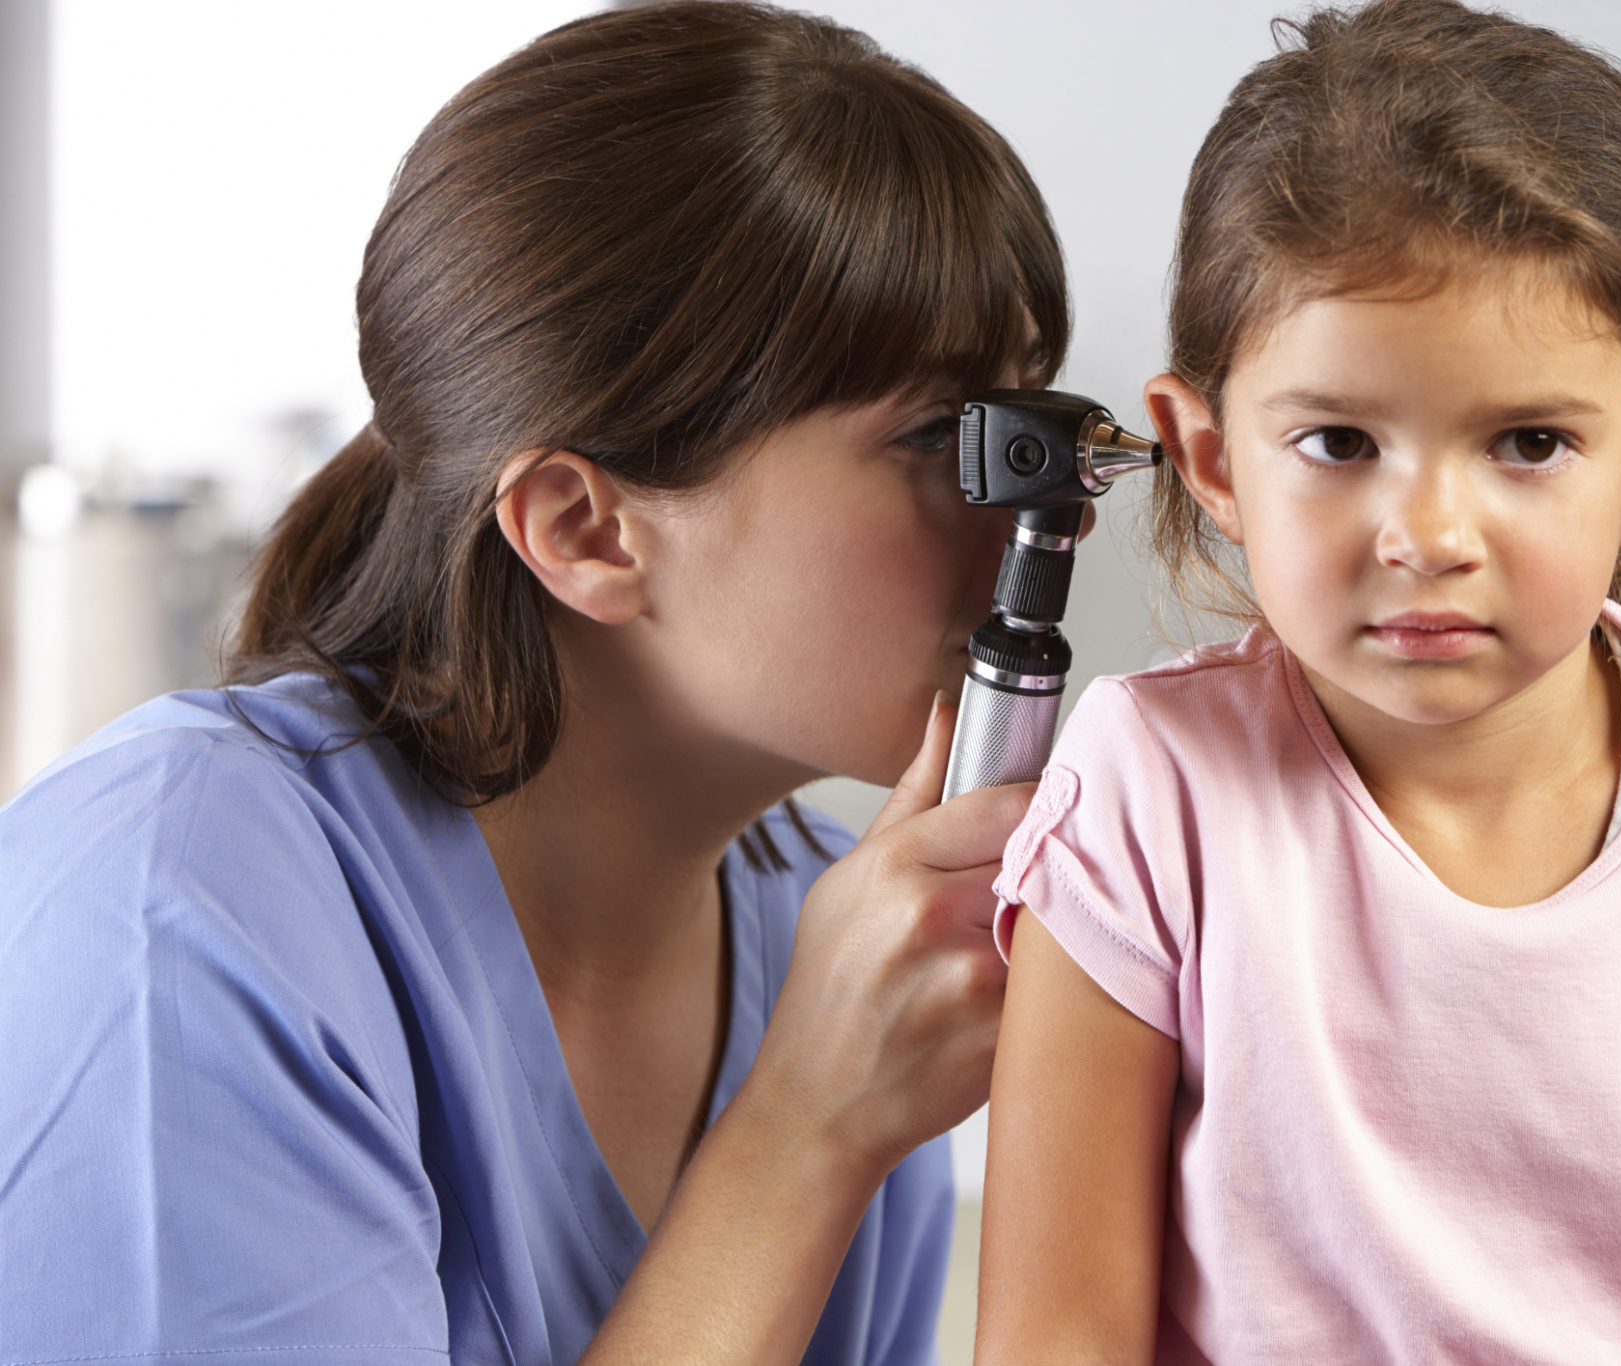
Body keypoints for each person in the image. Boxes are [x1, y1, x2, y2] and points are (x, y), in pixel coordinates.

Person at [0, 5, 1068, 1363]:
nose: (1045, 513)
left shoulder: (857, 958)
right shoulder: (177, 906)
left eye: (1026, 420)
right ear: (584, 529)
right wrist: (805, 1130)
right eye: (936, 437)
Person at [974, 2, 1621, 1362]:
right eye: (1340, 441)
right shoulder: (1149, 787)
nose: (1429, 536)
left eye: (1528, 442)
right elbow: (1055, 1338)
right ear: (1213, 459)